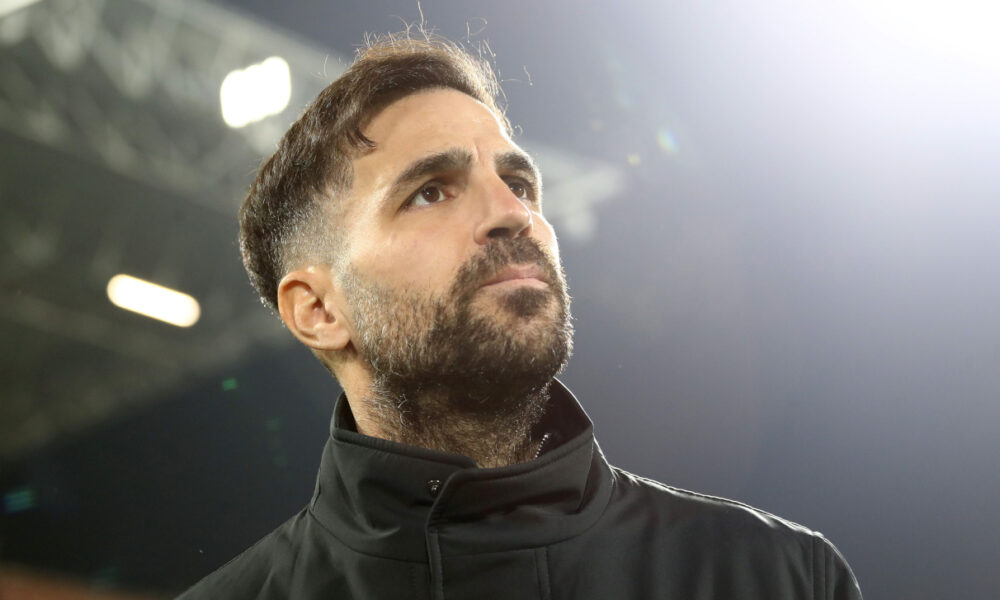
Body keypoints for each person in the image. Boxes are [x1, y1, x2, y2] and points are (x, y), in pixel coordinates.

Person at [178, 32, 862, 600]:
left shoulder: (778, 579)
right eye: (430, 192)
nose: (513, 214)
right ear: (320, 310)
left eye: (519, 182)